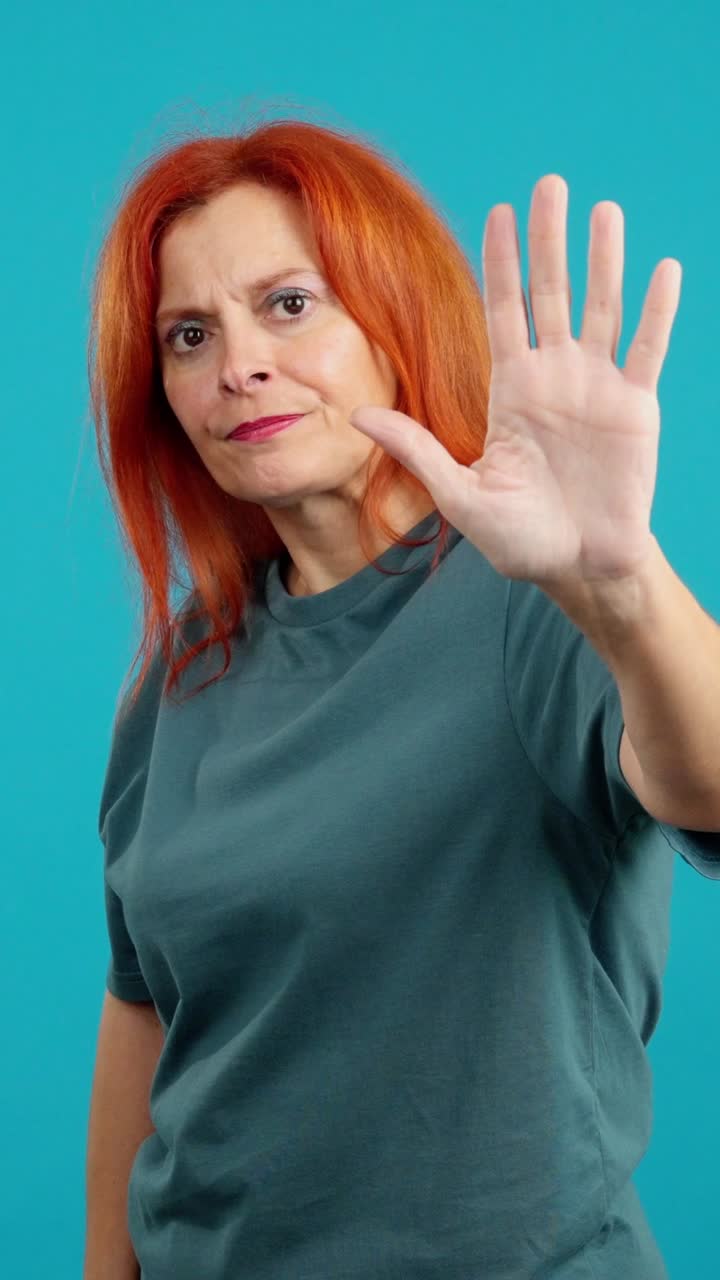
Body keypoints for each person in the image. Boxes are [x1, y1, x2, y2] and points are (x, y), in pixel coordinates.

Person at [84, 117, 720, 1280]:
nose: (238, 366)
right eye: (190, 334)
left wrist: (623, 586)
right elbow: (145, 1006)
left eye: (288, 304)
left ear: (393, 315)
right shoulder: (178, 679)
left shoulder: (542, 600)